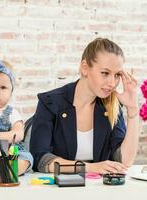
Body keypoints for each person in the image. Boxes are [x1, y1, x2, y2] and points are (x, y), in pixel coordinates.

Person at [30, 38, 139, 174]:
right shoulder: (50, 102)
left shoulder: (111, 105)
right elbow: (40, 160)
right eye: (105, 73)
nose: (112, 83)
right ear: (85, 68)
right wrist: (91, 167)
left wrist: (132, 108)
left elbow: (124, 161)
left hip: (99, 188)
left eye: (117, 75)